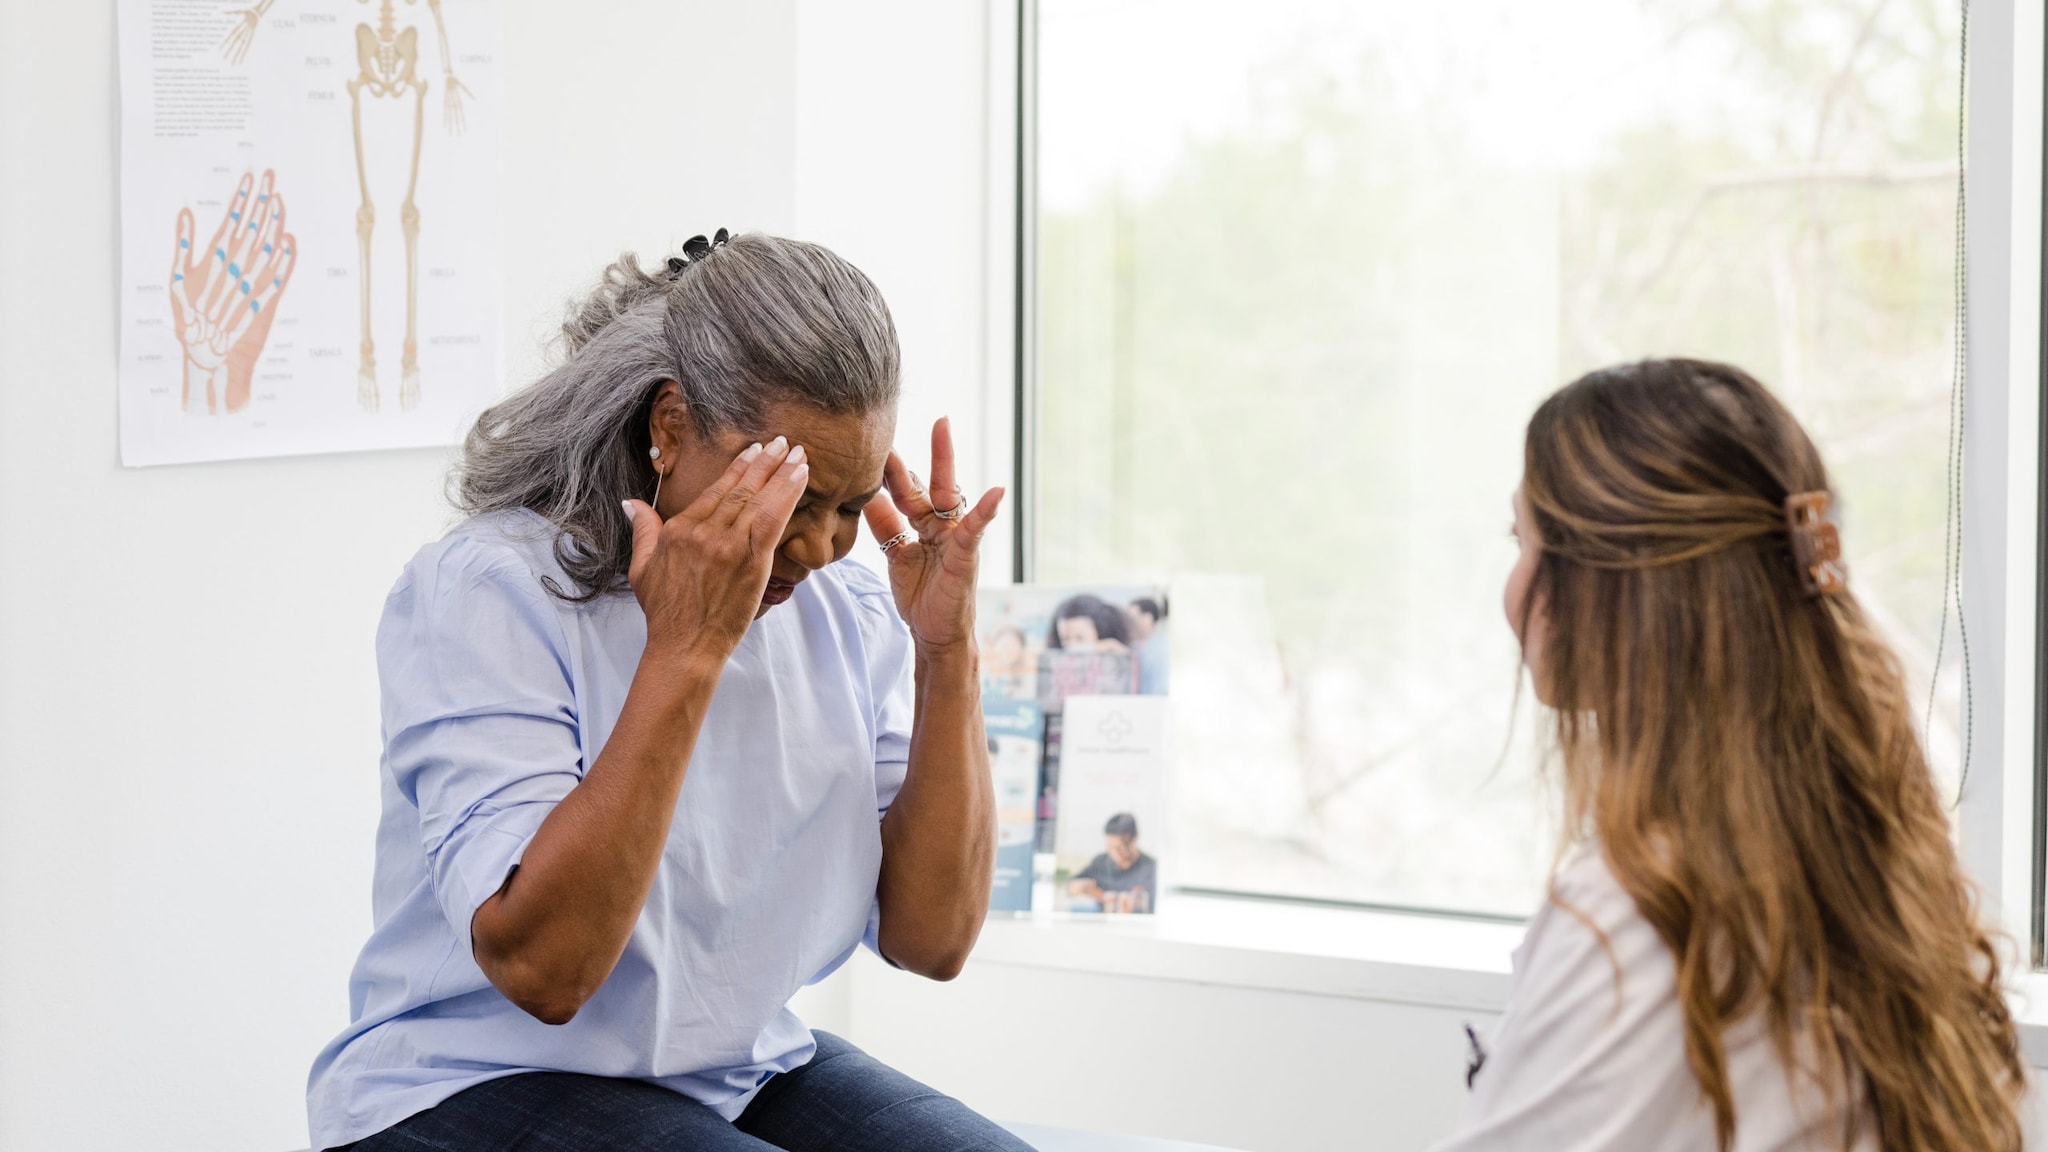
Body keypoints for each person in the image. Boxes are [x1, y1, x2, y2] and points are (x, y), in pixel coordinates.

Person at [305, 232, 1033, 1152]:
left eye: (848, 507)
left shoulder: (847, 605)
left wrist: (945, 650)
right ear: (672, 426)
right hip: (471, 1079)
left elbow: (934, 941)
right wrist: (686, 649)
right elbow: (546, 972)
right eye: (789, 496)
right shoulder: (491, 591)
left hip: (733, 1069)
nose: (815, 549)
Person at [1432, 360, 2025, 1151]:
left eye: (1525, 541)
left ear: (1603, 587)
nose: (1514, 588)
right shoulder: (1865, 860)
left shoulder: (1642, 909)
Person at [1067, 813, 1157, 914]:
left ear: (1134, 840)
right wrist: (1080, 887)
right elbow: (1071, 886)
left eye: (1120, 848)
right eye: (1110, 847)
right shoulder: (1100, 863)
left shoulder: (1152, 869)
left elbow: (1156, 905)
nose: (1115, 853)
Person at [1125, 596, 1169, 695]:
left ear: (1148, 618)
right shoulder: (1131, 649)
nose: (1128, 624)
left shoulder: (1163, 649)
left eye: (1132, 619)